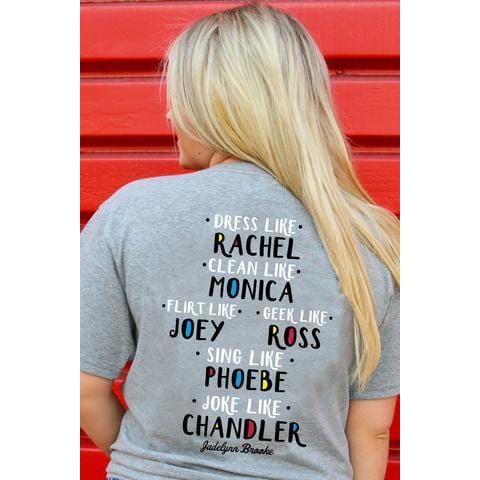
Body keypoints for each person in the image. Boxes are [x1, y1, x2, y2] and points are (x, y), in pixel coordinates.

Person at [80, 2, 400, 479]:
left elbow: (82, 387)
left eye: (181, 97)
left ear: (215, 106)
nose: (169, 112)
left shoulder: (131, 213)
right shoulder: (371, 237)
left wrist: (147, 462)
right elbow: (371, 431)